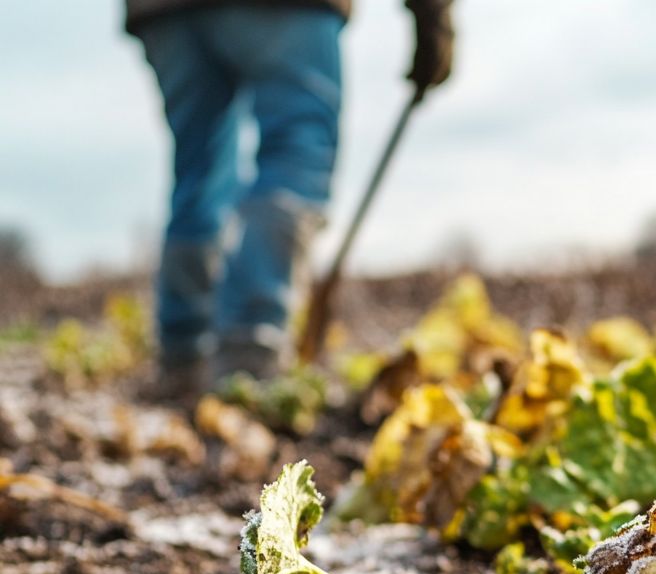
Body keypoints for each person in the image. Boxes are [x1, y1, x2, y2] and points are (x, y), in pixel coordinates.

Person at [126, 0, 454, 398]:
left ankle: (184, 355)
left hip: (165, 12)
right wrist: (434, 16)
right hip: (292, 9)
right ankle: (248, 353)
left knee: (200, 170)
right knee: (296, 150)